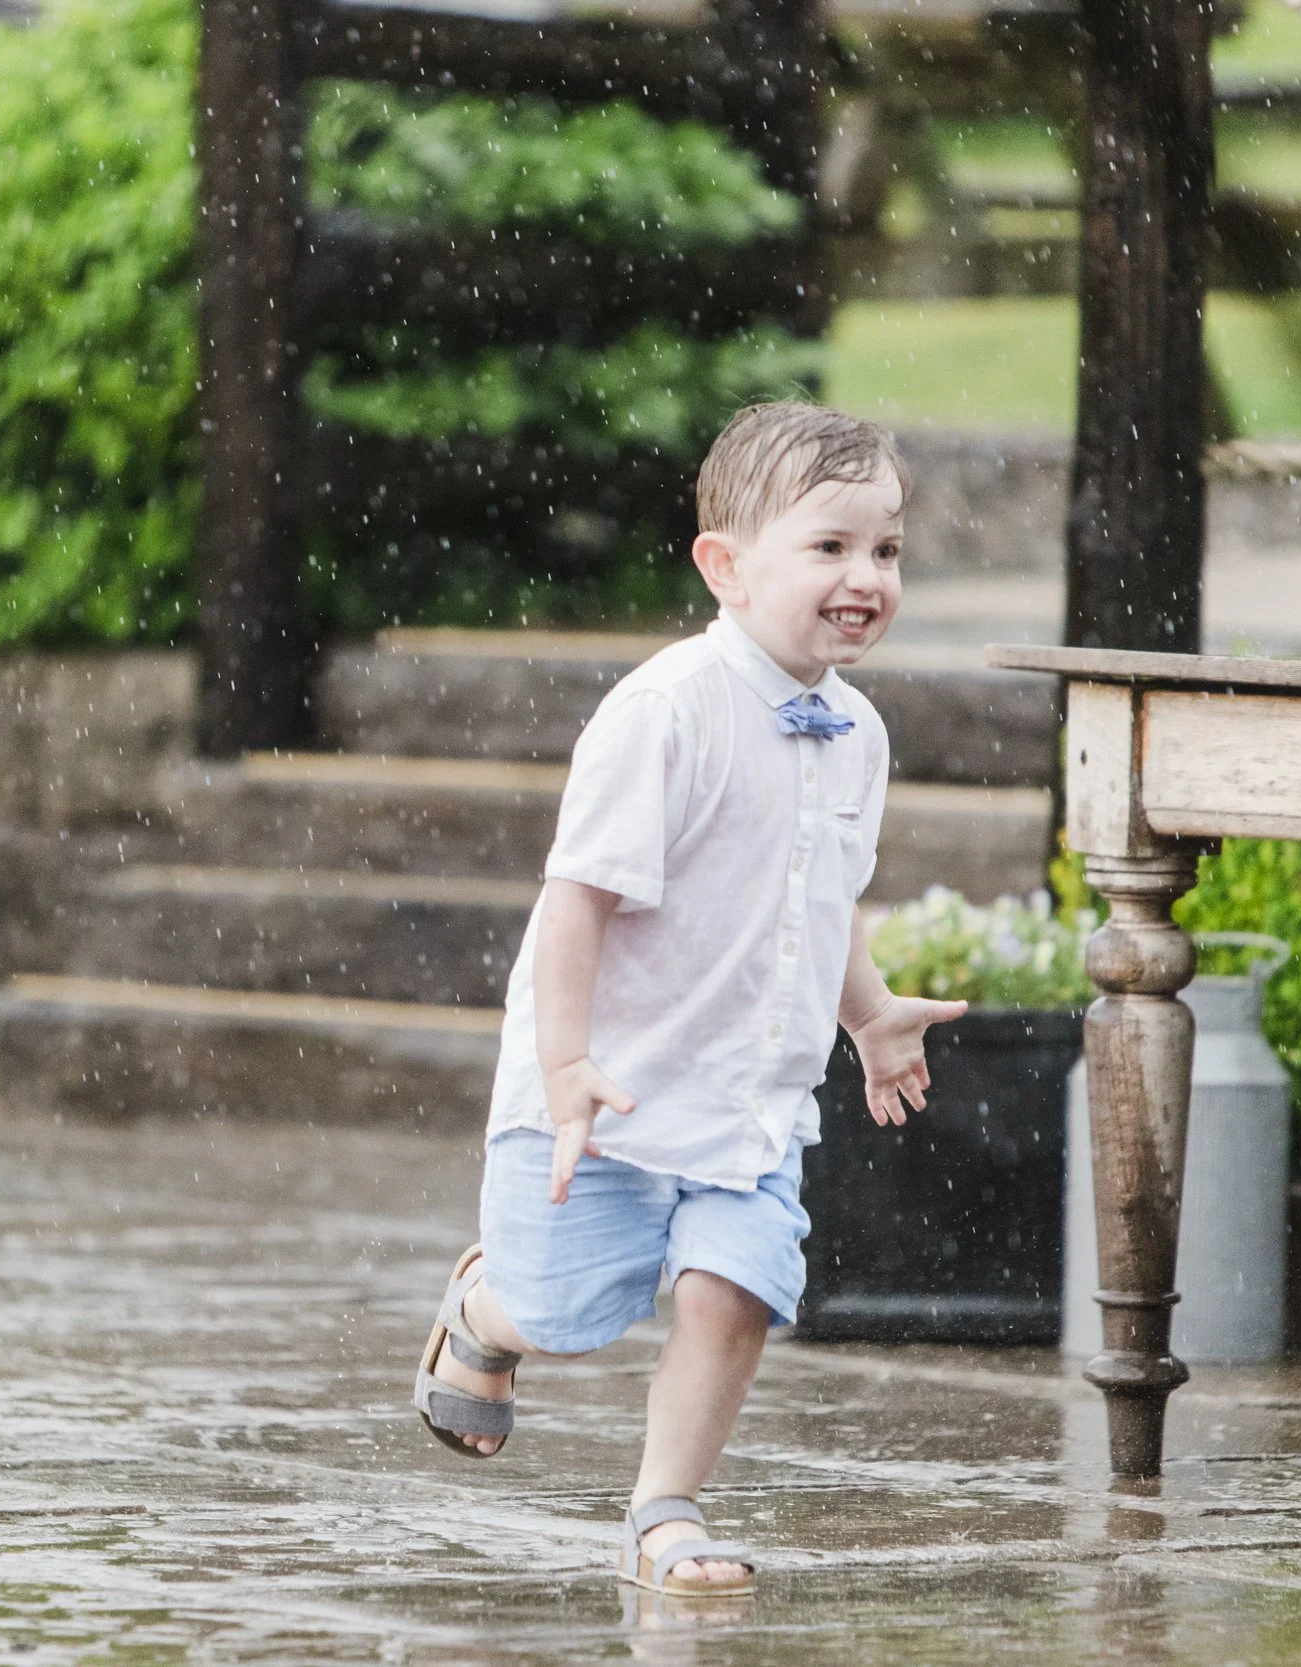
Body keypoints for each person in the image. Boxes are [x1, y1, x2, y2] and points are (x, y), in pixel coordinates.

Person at [409, 401, 968, 1598]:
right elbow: (576, 904)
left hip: (747, 1099)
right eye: (829, 547)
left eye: (886, 550)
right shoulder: (666, 711)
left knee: (736, 1290)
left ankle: (664, 1510)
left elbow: (817, 900)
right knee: (567, 1311)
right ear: (725, 565)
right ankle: (484, 1306)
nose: (865, 576)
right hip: (605, 1090)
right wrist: (565, 1066)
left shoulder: (857, 733)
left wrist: (865, 1014)